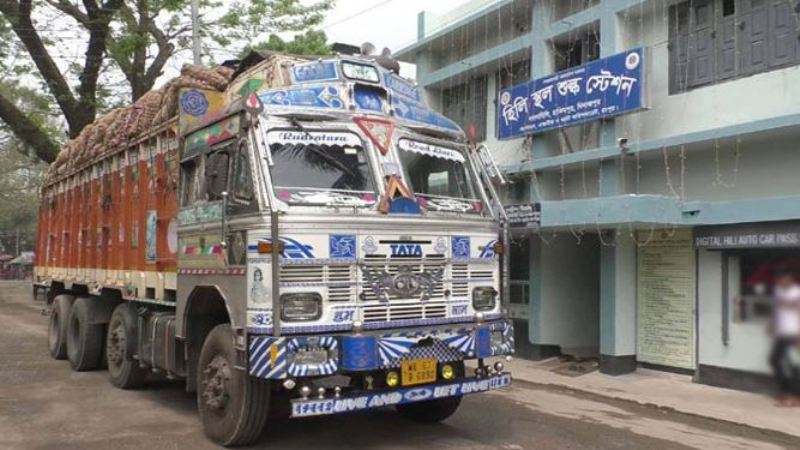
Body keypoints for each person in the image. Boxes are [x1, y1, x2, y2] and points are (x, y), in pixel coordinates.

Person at [769, 268, 800, 406]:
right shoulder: (778, 292)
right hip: (782, 333)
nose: (780, 282)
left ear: (789, 279)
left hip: (794, 334)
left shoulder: (797, 293)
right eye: (779, 280)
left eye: (783, 279)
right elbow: (777, 310)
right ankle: (785, 391)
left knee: (794, 365)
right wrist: (772, 323)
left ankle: (795, 396)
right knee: (774, 360)